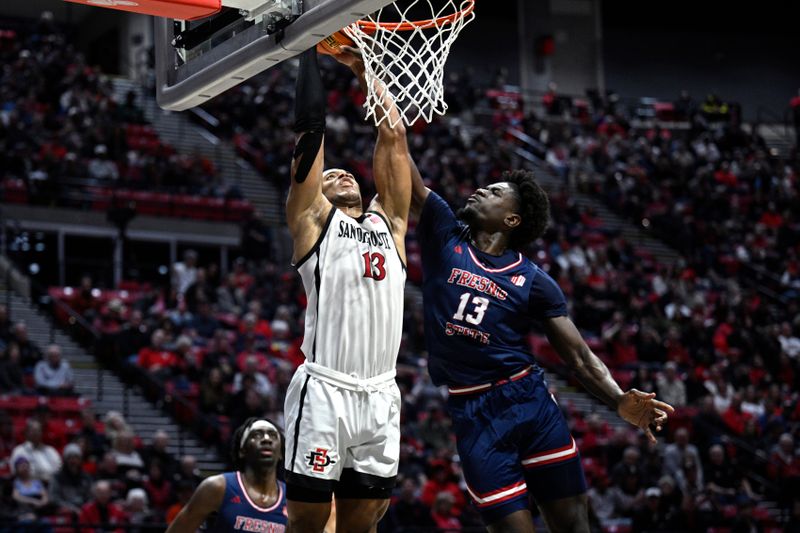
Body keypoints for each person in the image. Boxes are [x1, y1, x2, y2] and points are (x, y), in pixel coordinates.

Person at [408, 166, 674, 532]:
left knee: (573, 525)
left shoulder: (534, 280)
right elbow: (404, 176)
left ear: (512, 219)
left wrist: (616, 399)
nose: (481, 190)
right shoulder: (445, 237)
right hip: (473, 412)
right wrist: (392, 122)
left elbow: (579, 357)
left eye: (494, 192)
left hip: (529, 403)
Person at [281, 44, 411, 533]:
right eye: (330, 174)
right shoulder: (313, 220)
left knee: (363, 527)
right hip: (325, 390)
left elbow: (393, 135)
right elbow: (310, 134)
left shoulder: (391, 223)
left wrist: (363, 68)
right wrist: (307, 48)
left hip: (381, 394)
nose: (340, 173)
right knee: (309, 525)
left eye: (347, 173)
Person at [166, 418, 287, 532]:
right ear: (242, 451)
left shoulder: (292, 500)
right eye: (256, 435)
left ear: (281, 453)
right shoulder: (217, 487)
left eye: (273, 435)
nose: (266, 439)